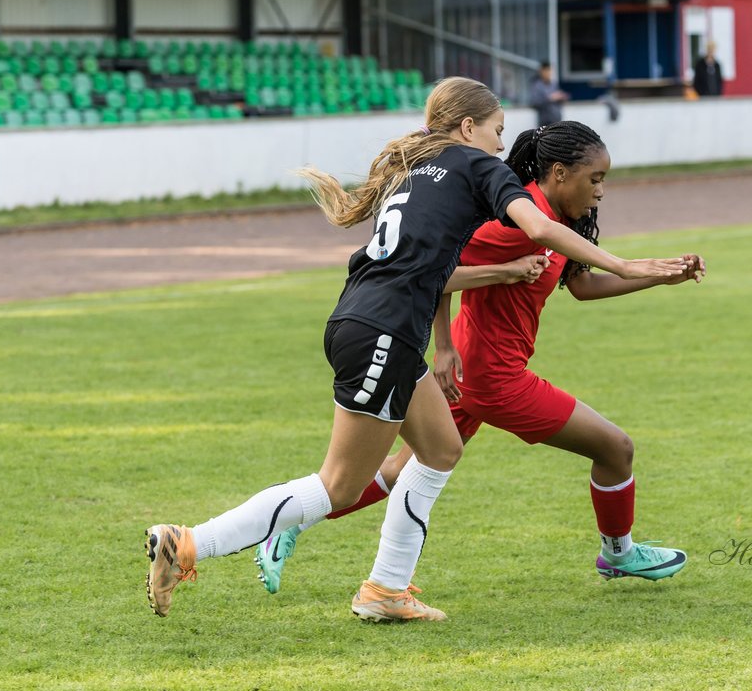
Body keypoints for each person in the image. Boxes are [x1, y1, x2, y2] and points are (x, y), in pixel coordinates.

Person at [144, 78, 686, 623]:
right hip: (387, 330)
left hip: (366, 319)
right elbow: (539, 226)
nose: (503, 146)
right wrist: (626, 264)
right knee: (338, 483)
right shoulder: (479, 167)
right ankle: (188, 542)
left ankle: (386, 590)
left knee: (440, 450)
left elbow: (436, 262)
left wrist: (475, 308)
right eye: (497, 131)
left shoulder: (416, 170)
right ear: (468, 127)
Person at [256, 120, 706, 597]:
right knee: (616, 448)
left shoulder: (554, 220)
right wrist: (444, 343)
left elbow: (581, 285)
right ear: (558, 173)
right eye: (594, 179)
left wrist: (660, 276)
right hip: (495, 378)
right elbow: (435, 268)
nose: (601, 191)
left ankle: (290, 521)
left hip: (471, 374)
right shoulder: (516, 219)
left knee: (397, 469)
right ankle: (619, 554)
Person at [528, 62, 569, 127]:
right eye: (547, 70)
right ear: (541, 71)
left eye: (550, 70)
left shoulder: (554, 84)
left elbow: (558, 98)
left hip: (557, 120)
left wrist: (561, 97)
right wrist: (550, 98)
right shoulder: (536, 85)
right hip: (545, 122)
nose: (549, 73)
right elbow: (534, 102)